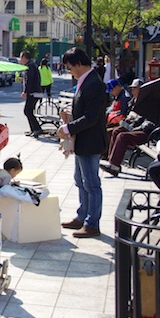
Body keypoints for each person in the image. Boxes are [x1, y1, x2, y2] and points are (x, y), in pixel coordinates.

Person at [57, 47, 108, 238]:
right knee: (80, 180)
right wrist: (70, 113)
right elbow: (84, 109)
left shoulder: (94, 83)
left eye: (70, 67)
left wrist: (68, 128)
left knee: (91, 183)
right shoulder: (85, 81)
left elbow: (91, 117)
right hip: (83, 140)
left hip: (90, 140)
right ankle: (83, 215)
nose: (69, 71)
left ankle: (92, 223)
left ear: (79, 64)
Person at [19, 51, 43, 138]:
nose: (20, 60)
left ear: (24, 57)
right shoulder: (31, 65)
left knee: (27, 111)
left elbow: (29, 80)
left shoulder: (30, 66)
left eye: (21, 57)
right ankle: (34, 129)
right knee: (29, 111)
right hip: (34, 92)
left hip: (33, 93)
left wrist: (25, 91)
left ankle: (36, 128)